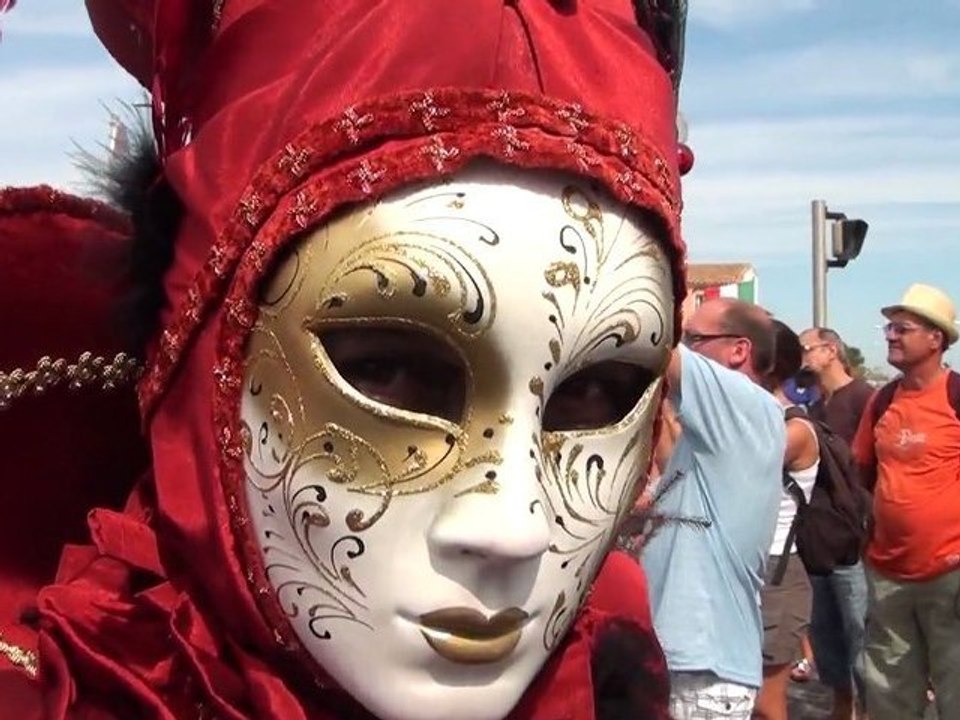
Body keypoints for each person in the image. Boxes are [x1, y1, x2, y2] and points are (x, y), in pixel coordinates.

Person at [0, 2, 697, 719]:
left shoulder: (614, 677)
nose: (515, 528)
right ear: (201, 359)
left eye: (597, 393)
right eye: (389, 371)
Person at [642, 298, 786, 719]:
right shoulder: (715, 435)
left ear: (739, 350)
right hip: (689, 665)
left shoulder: (748, 405)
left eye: (694, 339)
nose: (684, 346)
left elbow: (654, 343)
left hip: (703, 670)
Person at [851, 284, 960, 720]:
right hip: (887, 572)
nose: (891, 336)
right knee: (890, 693)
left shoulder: (955, 397)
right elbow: (862, 470)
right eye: (889, 327)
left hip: (950, 572)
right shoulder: (881, 400)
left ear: (936, 339)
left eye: (903, 328)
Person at [797, 326, 873, 719]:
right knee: (828, 642)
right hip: (818, 542)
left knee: (862, 639)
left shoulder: (864, 399)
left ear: (830, 351)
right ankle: (842, 711)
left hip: (853, 544)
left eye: (807, 348)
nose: (802, 356)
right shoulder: (813, 407)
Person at [752, 321, 817, 720]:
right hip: (742, 569)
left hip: (776, 572)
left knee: (765, 703)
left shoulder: (793, 428)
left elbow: (734, 465)